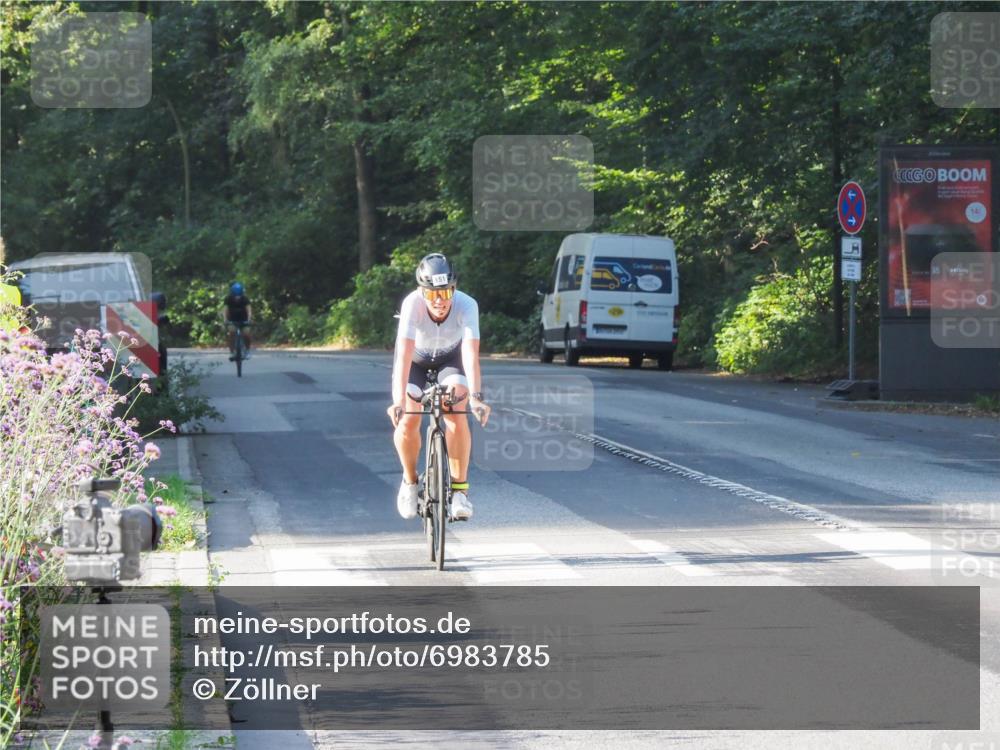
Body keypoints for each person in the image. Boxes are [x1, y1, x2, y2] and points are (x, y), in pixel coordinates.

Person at [387, 253, 490, 521]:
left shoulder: (467, 305)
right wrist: (398, 401)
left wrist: (477, 398)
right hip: (416, 363)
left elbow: (470, 355)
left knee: (456, 411)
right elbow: (403, 357)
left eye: (446, 292)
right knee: (408, 421)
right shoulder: (412, 304)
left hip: (450, 360)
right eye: (432, 294)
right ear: (422, 292)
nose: (440, 301)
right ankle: (410, 482)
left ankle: (459, 492)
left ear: (454, 289)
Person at [223, 282, 252, 359]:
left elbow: (249, 310)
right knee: (231, 333)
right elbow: (225, 310)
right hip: (232, 320)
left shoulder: (245, 299)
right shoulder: (228, 299)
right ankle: (232, 352)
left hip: (244, 320)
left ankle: (247, 350)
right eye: (235, 296)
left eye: (239, 296)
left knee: (246, 334)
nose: (237, 298)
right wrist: (225, 319)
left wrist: (249, 319)